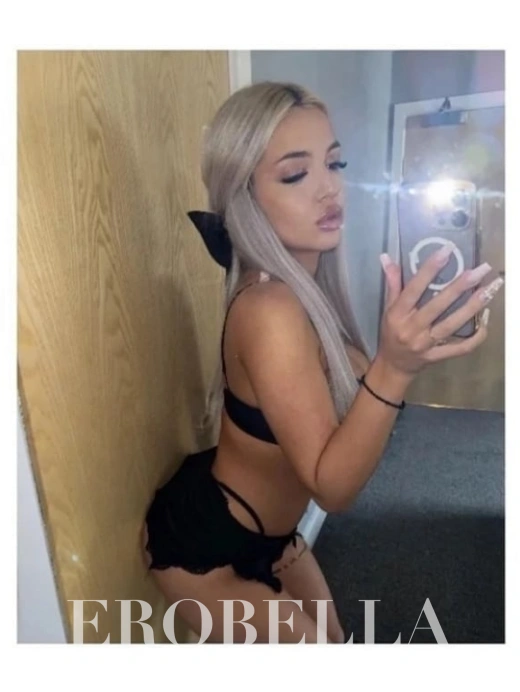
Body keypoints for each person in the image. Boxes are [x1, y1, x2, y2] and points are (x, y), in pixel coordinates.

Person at [142, 81, 503, 644]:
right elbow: (333, 491)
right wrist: (394, 368)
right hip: (206, 547)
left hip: (274, 535)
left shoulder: (310, 292)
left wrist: (411, 348)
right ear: (245, 197)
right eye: (295, 174)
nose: (330, 188)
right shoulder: (270, 308)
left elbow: (358, 409)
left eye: (335, 164)